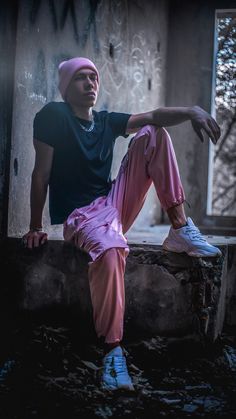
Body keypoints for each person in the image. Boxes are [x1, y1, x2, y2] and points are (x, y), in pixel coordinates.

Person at [22, 57, 222, 391]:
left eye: (94, 78)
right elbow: (41, 172)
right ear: (66, 88)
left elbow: (155, 116)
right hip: (81, 216)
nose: (90, 84)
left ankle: (179, 228)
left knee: (153, 132)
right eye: (81, 79)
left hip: (113, 204)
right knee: (112, 247)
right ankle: (113, 352)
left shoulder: (105, 121)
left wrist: (191, 111)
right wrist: (34, 225)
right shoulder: (52, 117)